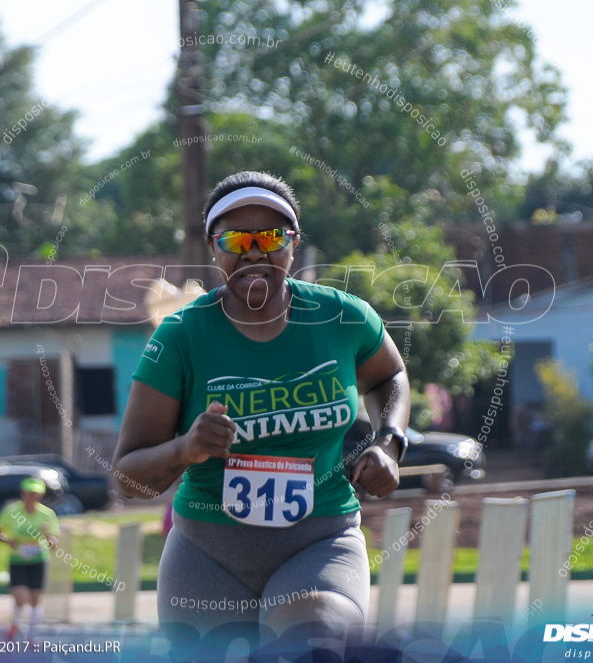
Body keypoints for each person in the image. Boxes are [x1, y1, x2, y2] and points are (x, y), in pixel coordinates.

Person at [113, 171, 410, 650]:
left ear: (294, 244)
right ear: (214, 248)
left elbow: (389, 376)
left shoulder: (343, 316)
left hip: (320, 542)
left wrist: (389, 442)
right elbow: (128, 478)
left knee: (313, 643)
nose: (254, 250)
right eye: (235, 238)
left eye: (272, 236)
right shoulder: (180, 336)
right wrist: (186, 449)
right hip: (208, 556)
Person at [0, 477, 59, 641]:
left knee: (36, 598)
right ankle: (16, 622)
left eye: (36, 494)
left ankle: (32, 633)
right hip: (18, 560)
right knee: (22, 597)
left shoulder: (47, 514)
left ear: (41, 495)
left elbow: (53, 543)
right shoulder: (11, 511)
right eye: (29, 493)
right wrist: (9, 541)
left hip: (38, 560)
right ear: (23, 494)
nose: (32, 497)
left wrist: (47, 536)